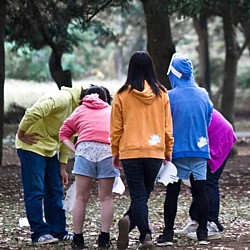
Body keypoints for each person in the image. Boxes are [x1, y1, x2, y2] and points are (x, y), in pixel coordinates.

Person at [110, 51, 174, 249]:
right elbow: (167, 126)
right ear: (151, 68)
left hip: (130, 151)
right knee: (143, 194)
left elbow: (116, 128)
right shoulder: (162, 93)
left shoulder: (121, 94)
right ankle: (144, 234)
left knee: (139, 195)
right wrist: (168, 150)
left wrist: (115, 152)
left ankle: (132, 223)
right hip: (154, 151)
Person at [157, 53, 213, 246]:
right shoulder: (203, 94)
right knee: (200, 192)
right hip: (200, 149)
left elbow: (164, 124)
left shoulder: (169, 97)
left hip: (176, 151)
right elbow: (208, 119)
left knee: (172, 192)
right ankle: (203, 233)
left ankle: (168, 234)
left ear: (173, 73)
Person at [16, 85, 84, 245]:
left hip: (50, 150)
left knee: (55, 190)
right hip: (31, 146)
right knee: (35, 191)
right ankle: (38, 233)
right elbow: (33, 112)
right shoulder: (62, 99)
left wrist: (62, 166)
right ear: (83, 99)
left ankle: (58, 230)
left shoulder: (78, 111)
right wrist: (21, 133)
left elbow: (67, 135)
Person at [59, 85, 119, 249]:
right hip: (108, 151)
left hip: (85, 151)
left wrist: (75, 149)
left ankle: (78, 239)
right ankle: (104, 238)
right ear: (105, 98)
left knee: (81, 197)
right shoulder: (111, 111)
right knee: (106, 198)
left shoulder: (79, 110)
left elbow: (63, 133)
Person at [175, 108, 237, 240]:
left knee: (208, 181)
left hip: (220, 138)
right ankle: (197, 220)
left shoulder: (176, 104)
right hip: (205, 140)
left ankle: (212, 223)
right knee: (197, 180)